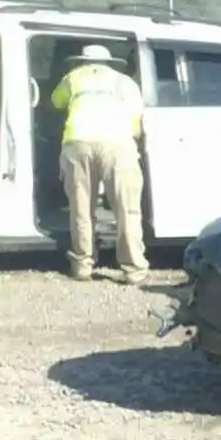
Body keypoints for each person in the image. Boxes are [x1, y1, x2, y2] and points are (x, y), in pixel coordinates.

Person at [49, 43, 147, 283]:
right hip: (116, 144)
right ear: (108, 62)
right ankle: (133, 269)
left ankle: (82, 265)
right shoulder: (125, 82)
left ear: (82, 61)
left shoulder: (72, 78)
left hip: (77, 143)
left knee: (81, 208)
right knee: (127, 209)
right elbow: (136, 123)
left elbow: (55, 102)